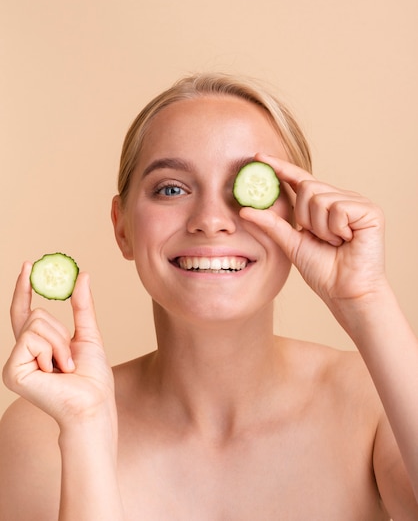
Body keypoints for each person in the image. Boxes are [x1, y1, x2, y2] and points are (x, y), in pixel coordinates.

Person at [1, 72, 418, 520]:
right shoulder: (43, 428)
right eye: (171, 189)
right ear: (122, 226)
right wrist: (87, 433)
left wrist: (367, 299)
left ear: (301, 217)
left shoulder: (375, 401)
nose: (211, 220)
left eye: (253, 186)